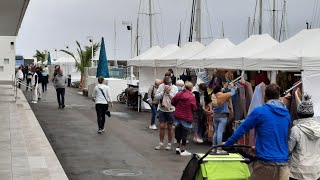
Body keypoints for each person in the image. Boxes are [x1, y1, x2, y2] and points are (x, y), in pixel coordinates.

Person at [225, 84, 291, 180]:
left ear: (265, 97)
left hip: (266, 163)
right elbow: (277, 135)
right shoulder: (286, 114)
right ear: (278, 97)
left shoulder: (260, 111)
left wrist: (228, 144)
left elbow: (241, 129)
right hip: (283, 165)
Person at [288, 94, 320, 180]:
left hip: (297, 172)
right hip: (315, 171)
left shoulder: (296, 130)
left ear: (299, 114)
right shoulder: (319, 128)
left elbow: (288, 149)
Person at [172, 81, 197, 156]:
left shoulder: (179, 94)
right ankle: (183, 149)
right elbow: (194, 108)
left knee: (178, 131)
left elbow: (173, 101)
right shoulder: (191, 96)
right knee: (184, 133)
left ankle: (177, 147)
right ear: (191, 88)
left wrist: (178, 106)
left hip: (178, 115)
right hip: (187, 116)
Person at [154, 75, 178, 150]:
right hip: (162, 108)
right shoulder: (161, 86)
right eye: (166, 84)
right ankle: (161, 143)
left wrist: (168, 93)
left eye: (169, 83)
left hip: (171, 109)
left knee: (170, 127)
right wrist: (163, 92)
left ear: (171, 82)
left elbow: (175, 99)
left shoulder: (175, 88)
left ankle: (169, 144)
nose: (168, 85)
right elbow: (156, 96)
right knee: (162, 126)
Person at [212, 83, 236, 153]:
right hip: (222, 116)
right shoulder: (222, 96)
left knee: (216, 132)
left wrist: (224, 88)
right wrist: (232, 87)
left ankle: (214, 147)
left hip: (215, 116)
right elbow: (233, 93)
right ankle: (219, 149)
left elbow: (221, 91)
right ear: (220, 90)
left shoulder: (213, 95)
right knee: (220, 132)